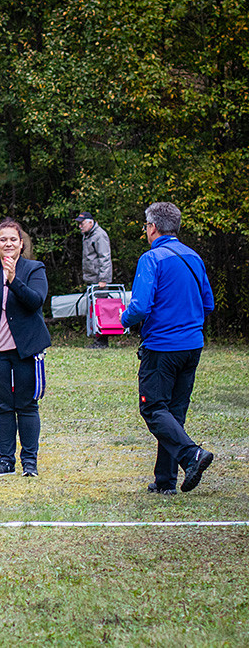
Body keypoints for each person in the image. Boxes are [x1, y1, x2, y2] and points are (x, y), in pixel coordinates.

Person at [121, 202, 215, 494]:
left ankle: (191, 455)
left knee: (152, 408)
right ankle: (166, 481)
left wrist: (123, 319)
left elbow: (140, 306)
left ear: (152, 228)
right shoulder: (194, 257)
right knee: (174, 412)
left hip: (162, 347)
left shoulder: (152, 259)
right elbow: (208, 303)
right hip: (192, 346)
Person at [0, 218, 51, 478]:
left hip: (26, 348)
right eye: (3, 239)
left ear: (21, 243)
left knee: (27, 405)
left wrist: (14, 280)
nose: (8, 243)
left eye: (13, 239)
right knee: (2, 405)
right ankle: (6, 461)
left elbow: (36, 301)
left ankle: (30, 462)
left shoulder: (34, 268)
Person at [75, 211, 114, 348]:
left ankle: (102, 341)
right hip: (92, 279)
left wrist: (103, 279)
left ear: (90, 222)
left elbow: (105, 257)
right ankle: (98, 339)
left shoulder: (99, 235)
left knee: (100, 310)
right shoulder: (87, 235)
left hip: (99, 280)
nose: (80, 226)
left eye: (82, 223)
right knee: (94, 310)